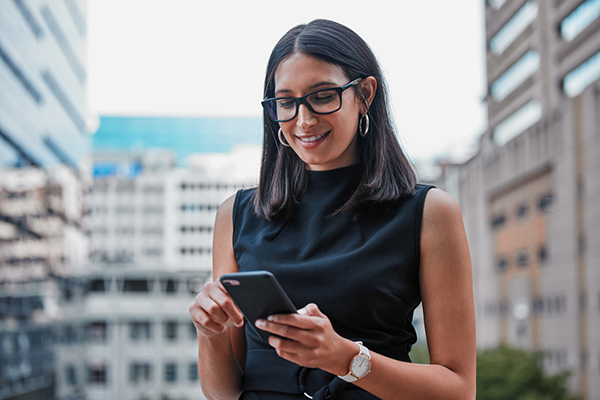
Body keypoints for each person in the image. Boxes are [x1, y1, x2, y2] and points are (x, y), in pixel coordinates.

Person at [189, 19, 475, 400]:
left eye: (323, 96)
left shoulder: (429, 212)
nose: (303, 120)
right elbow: (223, 393)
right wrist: (210, 333)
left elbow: (459, 390)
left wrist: (345, 358)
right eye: (286, 102)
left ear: (365, 95)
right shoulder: (236, 215)